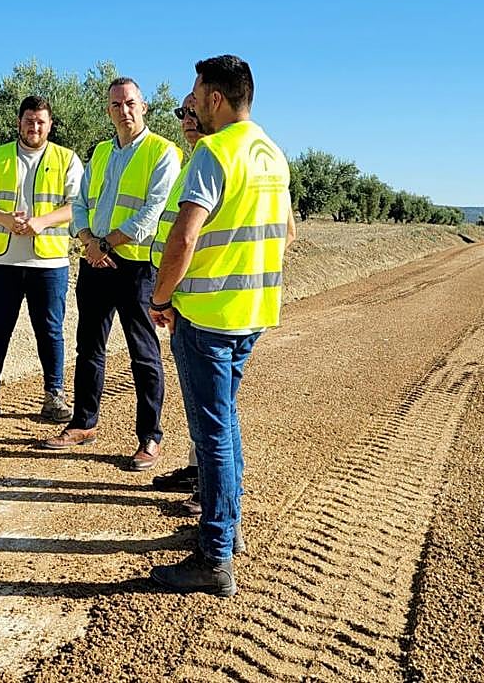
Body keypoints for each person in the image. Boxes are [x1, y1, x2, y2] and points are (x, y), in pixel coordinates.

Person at [148, 55, 295, 597]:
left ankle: (215, 557)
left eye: (196, 94)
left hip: (207, 317)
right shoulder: (272, 154)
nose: (192, 104)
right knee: (224, 422)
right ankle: (226, 530)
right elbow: (287, 233)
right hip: (250, 313)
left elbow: (184, 237)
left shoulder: (214, 152)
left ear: (215, 97)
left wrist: (161, 298)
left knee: (210, 433)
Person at [40, 77, 181, 471]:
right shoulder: (101, 152)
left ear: (144, 106)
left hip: (136, 268)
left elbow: (152, 212)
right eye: (117, 104)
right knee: (88, 348)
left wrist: (105, 243)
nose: (124, 110)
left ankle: (149, 437)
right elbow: (80, 204)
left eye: (131, 103)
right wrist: (89, 241)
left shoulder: (163, 152)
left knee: (144, 354)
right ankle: (83, 423)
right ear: (108, 110)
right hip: (95, 263)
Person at [0, 95, 83, 423]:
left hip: (49, 263)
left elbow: (77, 205)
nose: (35, 127)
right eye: (29, 121)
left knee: (51, 331)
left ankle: (54, 395)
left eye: (41, 122)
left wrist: (41, 222)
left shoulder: (67, 159)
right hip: (1, 261)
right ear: (19, 122)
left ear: (50, 125)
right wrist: (5, 220)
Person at [150, 93, 203, 501]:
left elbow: (184, 240)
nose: (186, 118)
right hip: (189, 299)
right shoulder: (191, 165)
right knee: (203, 405)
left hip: (201, 303)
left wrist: (161, 298)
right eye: (181, 112)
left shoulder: (211, 164)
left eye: (193, 110)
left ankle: (210, 490)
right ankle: (198, 468)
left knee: (211, 409)